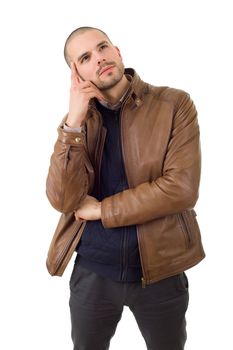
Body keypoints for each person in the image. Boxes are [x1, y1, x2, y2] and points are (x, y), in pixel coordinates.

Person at [46, 26, 205, 350]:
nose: (99, 58)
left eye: (103, 47)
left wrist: (103, 209)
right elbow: (63, 200)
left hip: (160, 268)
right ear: (76, 74)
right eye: (86, 57)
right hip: (92, 271)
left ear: (117, 51)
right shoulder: (76, 124)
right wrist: (74, 123)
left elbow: (181, 189)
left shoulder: (174, 103)